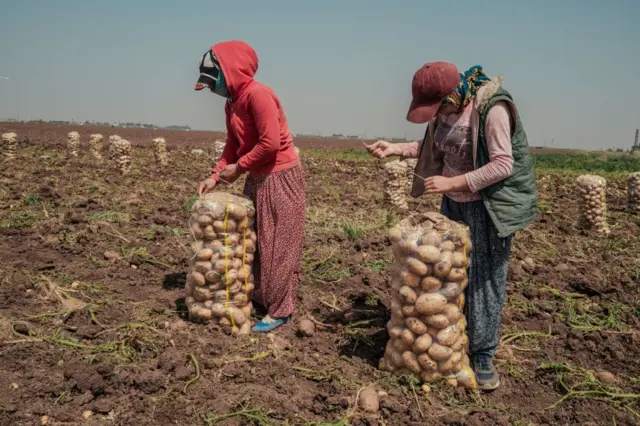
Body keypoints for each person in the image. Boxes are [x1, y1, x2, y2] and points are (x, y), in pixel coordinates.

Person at [365, 62, 537, 390]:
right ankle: (453, 339)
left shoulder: (492, 108)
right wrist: (395, 149)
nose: (437, 113)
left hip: (488, 207)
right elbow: (436, 146)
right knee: (452, 276)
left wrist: (452, 181)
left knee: (485, 280)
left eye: (438, 105)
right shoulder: (447, 111)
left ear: (452, 94)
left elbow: (503, 164)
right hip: (454, 203)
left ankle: (483, 353)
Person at [195, 40, 306, 333]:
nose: (210, 88)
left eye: (212, 81)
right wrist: (215, 176)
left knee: (280, 246)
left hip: (281, 178)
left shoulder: (259, 95)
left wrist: (239, 168)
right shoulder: (231, 103)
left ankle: (281, 309)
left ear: (229, 72)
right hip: (256, 177)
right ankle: (261, 297)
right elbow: (232, 146)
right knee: (257, 243)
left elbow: (269, 144)